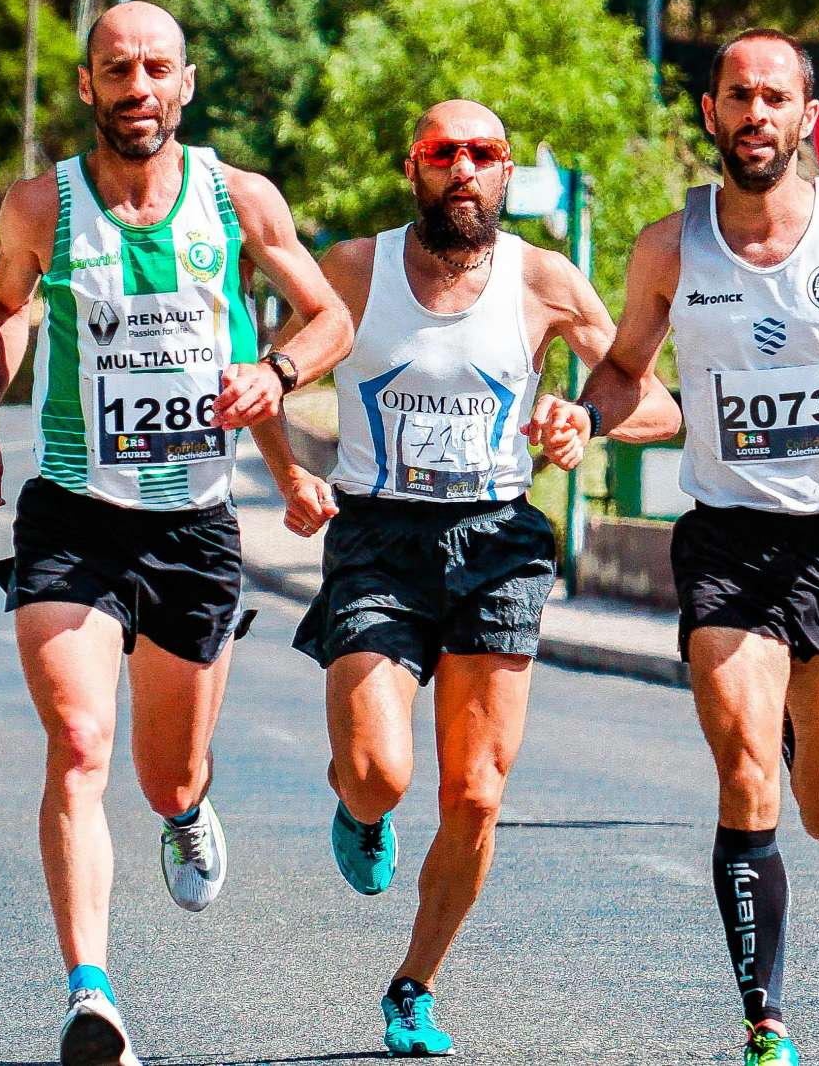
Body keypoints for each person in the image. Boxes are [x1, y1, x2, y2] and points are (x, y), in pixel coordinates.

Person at [0, 0, 357, 1066]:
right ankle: (92, 992)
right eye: (116, 69)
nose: (138, 87)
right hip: (75, 514)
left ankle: (189, 805)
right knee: (79, 741)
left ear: (186, 83)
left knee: (164, 773)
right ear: (87, 85)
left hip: (193, 522)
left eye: (156, 68)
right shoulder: (44, 205)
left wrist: (273, 378)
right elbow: (0, 311)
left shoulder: (238, 200)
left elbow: (329, 316)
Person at [253, 99, 679, 1058]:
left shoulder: (544, 280)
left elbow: (654, 401)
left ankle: (414, 984)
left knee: (477, 793)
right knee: (377, 774)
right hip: (378, 538)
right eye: (444, 153)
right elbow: (268, 374)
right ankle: (356, 807)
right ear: (415, 165)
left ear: (505, 170)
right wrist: (289, 474)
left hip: (498, 540)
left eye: (482, 154)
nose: (463, 170)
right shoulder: (354, 271)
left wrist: (584, 421)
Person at [575, 28, 819, 1066]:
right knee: (745, 773)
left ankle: (807, 714)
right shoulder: (669, 245)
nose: (755, 115)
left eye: (775, 98)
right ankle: (767, 1017)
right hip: (727, 544)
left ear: (807, 116)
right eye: (737, 96)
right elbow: (623, 369)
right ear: (710, 112)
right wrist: (582, 414)